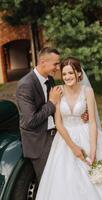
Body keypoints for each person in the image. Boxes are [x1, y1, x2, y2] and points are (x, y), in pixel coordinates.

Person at [36, 57, 102, 200]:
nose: (67, 77)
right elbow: (58, 123)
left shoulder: (87, 91)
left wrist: (93, 150)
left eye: (70, 73)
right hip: (65, 140)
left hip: (86, 133)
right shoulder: (57, 91)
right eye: (64, 74)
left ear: (78, 73)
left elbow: (92, 122)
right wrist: (74, 147)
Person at [16, 47, 62, 182]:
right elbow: (31, 121)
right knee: (48, 183)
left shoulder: (50, 80)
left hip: (56, 137)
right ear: (43, 62)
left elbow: (57, 108)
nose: (58, 68)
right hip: (39, 143)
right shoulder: (25, 85)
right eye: (55, 64)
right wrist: (52, 103)